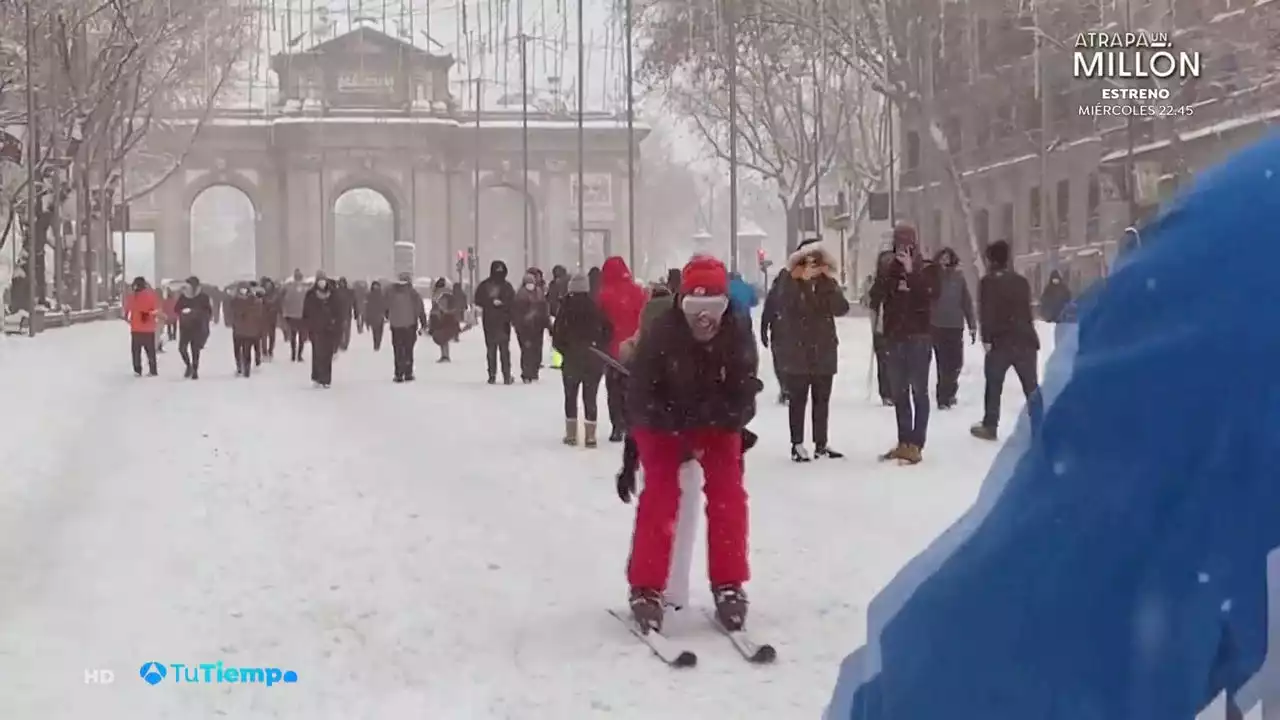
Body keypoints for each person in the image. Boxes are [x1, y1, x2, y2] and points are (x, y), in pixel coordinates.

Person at [826, 117, 1280, 720]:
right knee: (944, 388)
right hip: (944, 344)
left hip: (986, 347)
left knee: (962, 390)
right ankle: (932, 426)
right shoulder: (1248, 241)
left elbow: (1047, 624)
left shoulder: (1243, 249)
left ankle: (919, 433)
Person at [624, 255, 760, 633]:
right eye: (695, 308)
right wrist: (663, 419)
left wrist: (729, 415)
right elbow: (638, 392)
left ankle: (729, 582)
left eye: (713, 308)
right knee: (661, 496)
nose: (704, 319)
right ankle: (646, 585)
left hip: (715, 421)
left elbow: (745, 387)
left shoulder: (737, 331)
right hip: (664, 422)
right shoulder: (662, 332)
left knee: (728, 495)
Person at [772, 237, 850, 461]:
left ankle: (821, 443)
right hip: (798, 350)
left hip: (824, 349)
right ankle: (797, 443)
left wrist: (828, 285)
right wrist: (801, 286)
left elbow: (841, 308)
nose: (813, 266)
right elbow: (783, 305)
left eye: (817, 261)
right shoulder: (788, 282)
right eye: (808, 261)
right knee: (798, 399)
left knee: (821, 399)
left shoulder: (827, 284)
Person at [869, 225, 938, 464]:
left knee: (919, 390)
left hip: (919, 336)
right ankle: (904, 440)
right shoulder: (889, 269)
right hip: (895, 336)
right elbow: (876, 297)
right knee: (899, 391)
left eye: (906, 243)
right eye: (898, 243)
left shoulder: (927, 268)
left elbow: (929, 296)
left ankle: (917, 443)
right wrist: (881, 274)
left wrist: (912, 273)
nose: (902, 248)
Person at [971, 240, 1040, 441]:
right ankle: (1040, 424)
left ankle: (990, 425)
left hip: (1001, 341)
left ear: (991, 260)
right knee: (1031, 386)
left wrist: (987, 338)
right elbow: (1027, 311)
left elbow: (986, 312)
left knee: (994, 385)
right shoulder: (1021, 281)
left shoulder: (987, 283)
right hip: (1025, 339)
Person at [551, 273, 610, 447]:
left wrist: (567, 350)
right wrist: (597, 345)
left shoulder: (565, 308)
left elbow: (557, 336)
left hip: (572, 359)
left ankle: (571, 434)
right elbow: (608, 330)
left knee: (570, 396)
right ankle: (590, 436)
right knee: (590, 397)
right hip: (592, 359)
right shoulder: (595, 308)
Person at [596, 256, 647, 442]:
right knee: (632, 388)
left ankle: (617, 425)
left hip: (612, 350)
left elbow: (600, 322)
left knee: (614, 389)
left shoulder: (603, 295)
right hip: (634, 347)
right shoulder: (638, 292)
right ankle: (632, 422)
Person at [930, 247, 976, 409]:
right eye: (942, 257)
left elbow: (966, 302)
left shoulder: (958, 277)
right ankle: (943, 397)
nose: (945, 261)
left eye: (948, 258)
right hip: (937, 325)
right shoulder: (933, 277)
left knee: (956, 362)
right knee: (943, 363)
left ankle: (951, 391)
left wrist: (972, 324)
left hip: (955, 325)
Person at [475, 260, 515, 384]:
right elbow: (513, 302)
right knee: (503, 349)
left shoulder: (485, 285)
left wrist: (490, 303)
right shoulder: (507, 286)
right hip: (501, 322)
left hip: (492, 321)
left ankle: (493, 375)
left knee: (492, 349)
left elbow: (478, 300)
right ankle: (505, 375)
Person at [386, 271, 428, 382]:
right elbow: (419, 308)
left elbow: (385, 307)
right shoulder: (413, 293)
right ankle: (408, 372)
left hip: (396, 325)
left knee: (398, 349)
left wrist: (389, 316)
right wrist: (423, 322)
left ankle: (399, 373)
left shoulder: (391, 293)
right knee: (408, 349)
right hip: (410, 324)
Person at [303, 273, 342, 387]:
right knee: (317, 353)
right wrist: (307, 325)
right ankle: (316, 377)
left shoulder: (333, 294)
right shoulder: (311, 294)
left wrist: (336, 322)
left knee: (327, 354)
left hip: (329, 328)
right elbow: (306, 311)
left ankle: (326, 379)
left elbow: (339, 310)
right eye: (319, 281)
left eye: (323, 280)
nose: (322, 283)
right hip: (315, 328)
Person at [759, 269, 791, 404]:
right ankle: (790, 387)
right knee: (792, 362)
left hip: (778, 333)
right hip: (794, 334)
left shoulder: (774, 292)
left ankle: (784, 386)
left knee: (780, 363)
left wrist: (764, 332)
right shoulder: (796, 291)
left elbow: (766, 313)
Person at [512, 271, 551, 382]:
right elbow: (517, 313)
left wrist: (546, 323)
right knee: (527, 350)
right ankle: (527, 373)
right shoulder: (520, 296)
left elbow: (544, 309)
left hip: (537, 326)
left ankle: (534, 371)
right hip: (525, 328)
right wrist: (518, 325)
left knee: (537, 350)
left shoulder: (539, 294)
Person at [869, 251, 896, 406]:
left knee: (894, 361)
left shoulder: (899, 280)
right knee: (883, 361)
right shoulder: (878, 284)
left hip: (897, 327)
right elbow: (873, 304)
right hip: (881, 327)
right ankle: (886, 392)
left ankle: (895, 390)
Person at [174, 276, 212, 379]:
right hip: (185, 326)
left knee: (195, 350)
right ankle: (188, 365)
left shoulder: (203, 297)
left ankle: (195, 370)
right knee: (182, 348)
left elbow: (208, 311)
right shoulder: (183, 296)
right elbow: (176, 308)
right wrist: (182, 312)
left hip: (197, 326)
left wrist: (196, 312)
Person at [123, 276, 160, 376]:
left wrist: (129, 320)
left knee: (136, 351)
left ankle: (137, 370)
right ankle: (153, 370)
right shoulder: (152, 295)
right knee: (150, 351)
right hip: (149, 329)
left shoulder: (132, 297)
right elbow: (156, 310)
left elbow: (126, 312)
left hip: (136, 328)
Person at [228, 284, 264, 377]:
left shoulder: (235, 301)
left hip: (238, 330)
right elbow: (259, 316)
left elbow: (231, 311)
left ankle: (240, 366)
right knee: (246, 350)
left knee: (238, 349)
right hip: (250, 330)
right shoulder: (256, 302)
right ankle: (246, 368)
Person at [428, 278, 461, 361]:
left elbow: (437, 305)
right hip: (448, 316)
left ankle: (444, 355)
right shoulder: (448, 292)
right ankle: (445, 355)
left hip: (441, 317)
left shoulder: (437, 293)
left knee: (442, 337)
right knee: (444, 337)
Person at [281, 269, 309, 362]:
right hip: (302, 316)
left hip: (292, 315)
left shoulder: (288, 287)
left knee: (293, 336)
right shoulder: (306, 288)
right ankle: (299, 355)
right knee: (301, 337)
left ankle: (293, 355)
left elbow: (283, 299)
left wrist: (285, 312)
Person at [259, 277, 280, 360]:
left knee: (271, 335)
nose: (268, 286)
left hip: (272, 316)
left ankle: (270, 351)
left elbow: (278, 303)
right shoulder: (261, 293)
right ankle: (265, 352)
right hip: (264, 316)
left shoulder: (274, 293)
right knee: (264, 335)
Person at [365, 280, 387, 351]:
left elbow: (385, 305)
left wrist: (385, 313)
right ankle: (376, 344)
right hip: (373, 315)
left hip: (380, 315)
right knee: (375, 331)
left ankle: (378, 343)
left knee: (380, 331)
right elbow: (367, 306)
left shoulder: (382, 295)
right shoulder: (370, 295)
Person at [335, 277, 355, 351]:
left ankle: (345, 343)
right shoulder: (336, 291)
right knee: (339, 329)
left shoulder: (349, 292)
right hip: (338, 313)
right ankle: (339, 342)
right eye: (341, 283)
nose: (342, 284)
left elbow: (353, 301)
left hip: (347, 312)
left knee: (346, 330)